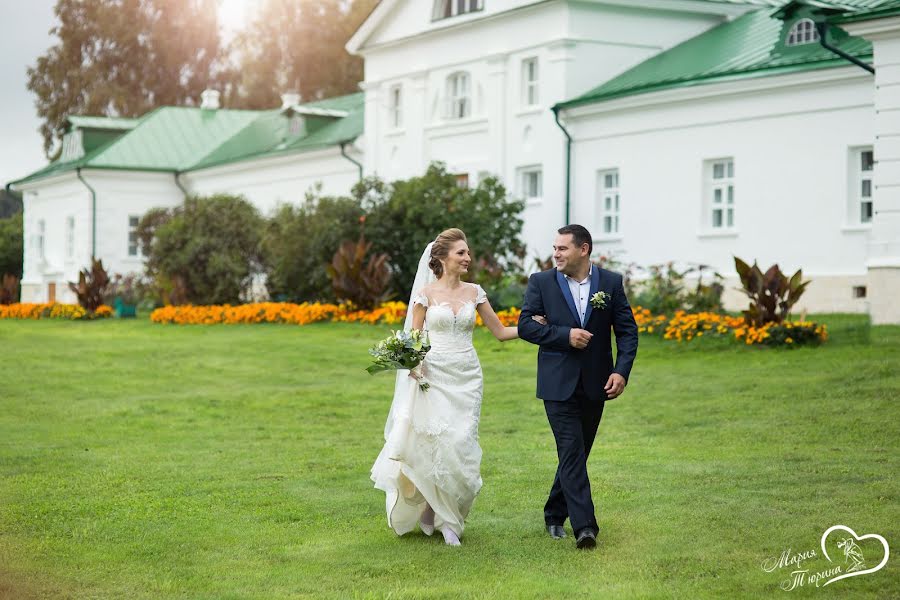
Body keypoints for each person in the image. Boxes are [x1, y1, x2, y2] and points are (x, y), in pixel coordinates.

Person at [371, 228, 540, 546]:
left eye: (468, 252)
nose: (468, 258)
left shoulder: (475, 292)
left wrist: (536, 329)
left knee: (461, 445)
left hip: (467, 377)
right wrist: (413, 365)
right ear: (442, 257)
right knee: (437, 446)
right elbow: (415, 339)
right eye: (461, 253)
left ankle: (437, 512)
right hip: (433, 376)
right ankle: (446, 520)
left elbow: (501, 332)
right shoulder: (426, 294)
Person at [517, 224, 638, 549]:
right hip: (557, 383)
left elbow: (627, 332)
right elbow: (525, 325)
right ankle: (586, 527)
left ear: (583, 249)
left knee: (578, 453)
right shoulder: (541, 282)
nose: (555, 253)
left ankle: (554, 513)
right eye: (554, 248)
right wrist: (563, 335)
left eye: (562, 248)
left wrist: (621, 371)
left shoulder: (610, 282)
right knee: (571, 450)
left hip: (596, 382)